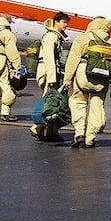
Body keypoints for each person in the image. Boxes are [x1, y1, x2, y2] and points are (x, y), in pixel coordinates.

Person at [63, 16, 111, 148]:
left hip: (83, 75)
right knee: (97, 105)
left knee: (78, 101)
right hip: (102, 79)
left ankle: (79, 133)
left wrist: (67, 80)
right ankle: (90, 138)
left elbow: (72, 60)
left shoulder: (83, 38)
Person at [30, 12, 70, 140]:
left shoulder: (56, 36)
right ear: (56, 22)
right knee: (50, 102)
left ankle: (51, 132)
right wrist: (52, 79)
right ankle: (37, 128)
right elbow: (49, 58)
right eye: (64, 22)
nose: (66, 25)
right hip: (47, 72)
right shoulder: (51, 37)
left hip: (51, 71)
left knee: (53, 102)